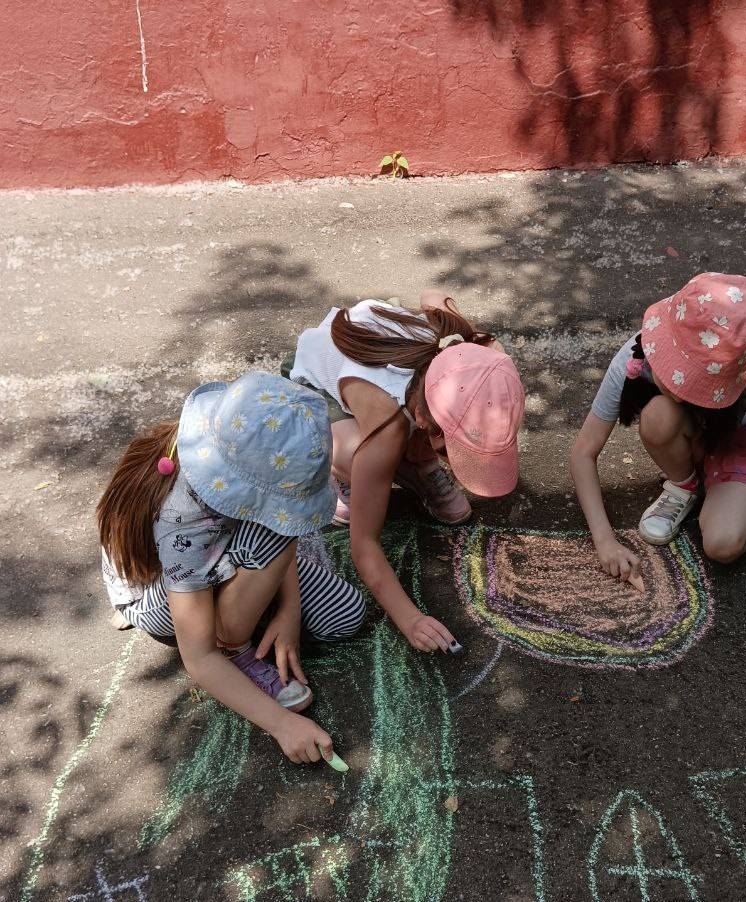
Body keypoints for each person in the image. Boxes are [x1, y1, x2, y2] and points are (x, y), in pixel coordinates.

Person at [97, 371, 366, 766]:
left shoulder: (238, 451)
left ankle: (243, 604)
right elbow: (200, 656)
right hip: (157, 589)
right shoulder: (182, 525)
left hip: (225, 548)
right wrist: (281, 725)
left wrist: (289, 612)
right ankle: (237, 644)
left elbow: (278, 525)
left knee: (343, 615)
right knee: (264, 546)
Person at [290, 291, 525, 652]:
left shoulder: (478, 356)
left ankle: (416, 463)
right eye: (449, 449)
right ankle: (345, 477)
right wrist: (410, 619)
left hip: (389, 382)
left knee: (394, 447)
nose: (455, 460)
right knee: (360, 457)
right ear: (423, 422)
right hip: (315, 388)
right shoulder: (387, 424)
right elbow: (364, 545)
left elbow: (434, 298)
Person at [570, 272, 746, 577]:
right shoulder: (638, 355)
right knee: (659, 415)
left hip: (734, 445)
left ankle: (724, 487)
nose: (680, 394)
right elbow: (582, 453)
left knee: (724, 544)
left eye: (694, 383)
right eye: (678, 376)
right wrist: (604, 542)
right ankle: (685, 485)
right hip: (690, 438)